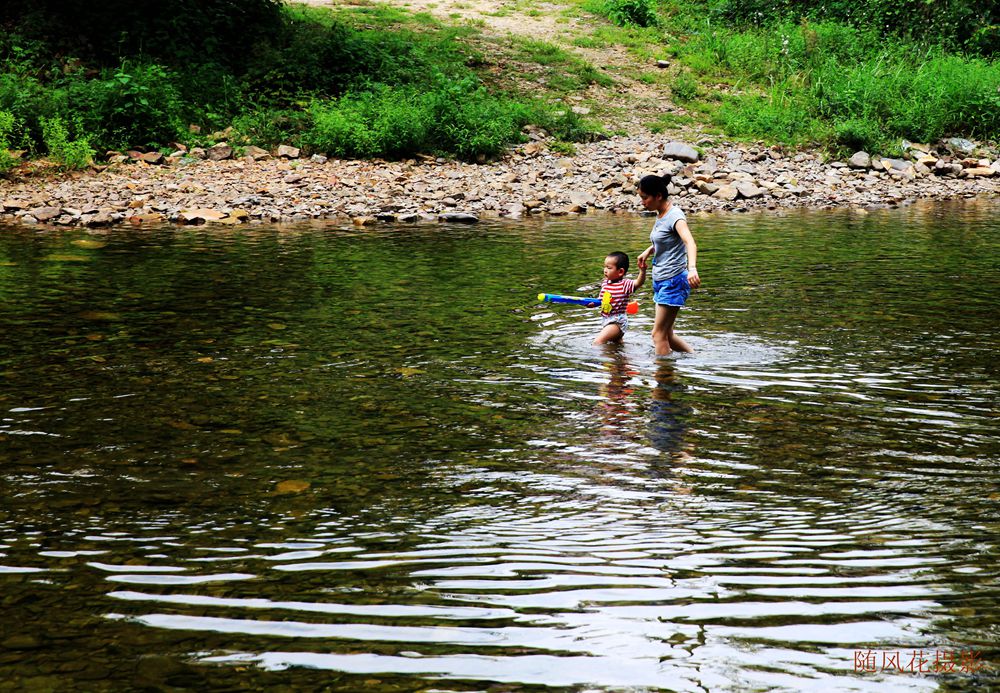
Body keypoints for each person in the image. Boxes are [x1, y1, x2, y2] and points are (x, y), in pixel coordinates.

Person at [636, 174, 701, 356]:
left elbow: (689, 242)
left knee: (658, 335)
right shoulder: (661, 214)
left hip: (673, 281)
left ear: (658, 196)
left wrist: (692, 269)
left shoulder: (675, 216)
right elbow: (666, 240)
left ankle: (663, 379)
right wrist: (650, 250)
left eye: (644, 197)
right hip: (661, 280)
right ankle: (694, 358)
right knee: (667, 335)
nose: (642, 202)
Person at [594, 250, 645, 346]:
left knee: (598, 342)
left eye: (609, 268)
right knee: (616, 346)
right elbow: (601, 300)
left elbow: (638, 283)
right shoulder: (605, 283)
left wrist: (642, 271)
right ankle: (621, 360)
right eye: (605, 267)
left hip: (617, 322)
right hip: (607, 320)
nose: (605, 270)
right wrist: (592, 303)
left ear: (620, 271)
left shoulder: (624, 284)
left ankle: (602, 360)